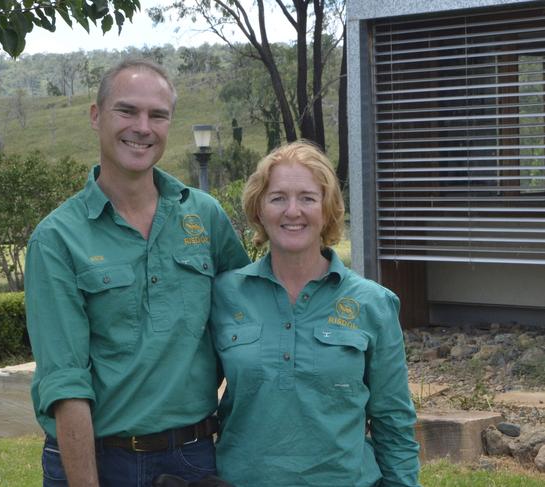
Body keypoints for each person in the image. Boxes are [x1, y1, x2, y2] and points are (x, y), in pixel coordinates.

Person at [25, 59, 250, 487]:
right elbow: (65, 381)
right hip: (97, 461)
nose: (142, 127)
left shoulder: (204, 216)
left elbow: (250, 321)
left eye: (157, 115)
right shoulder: (57, 238)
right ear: (96, 116)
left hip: (194, 458)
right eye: (126, 111)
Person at [210, 140, 421, 486]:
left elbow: (393, 422)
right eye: (278, 197)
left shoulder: (373, 304)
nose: (293, 211)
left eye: (308, 198)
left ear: (327, 210)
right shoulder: (225, 295)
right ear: (259, 209)